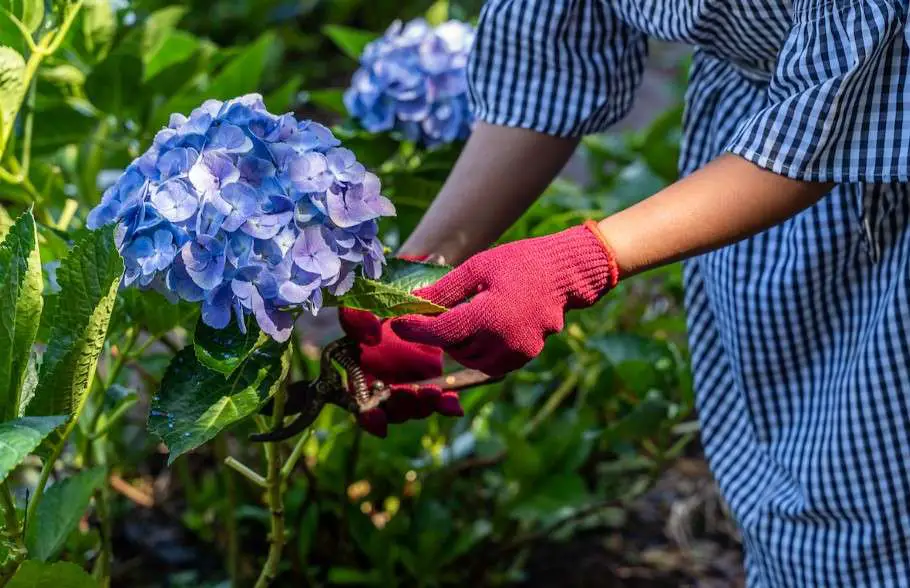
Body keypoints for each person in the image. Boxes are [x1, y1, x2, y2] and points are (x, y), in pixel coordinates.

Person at [342, 0, 910, 585]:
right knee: (792, 504)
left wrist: (582, 260)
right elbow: (549, 56)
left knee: (868, 513)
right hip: (745, 168)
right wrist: (414, 278)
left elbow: (855, 96)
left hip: (861, 166)